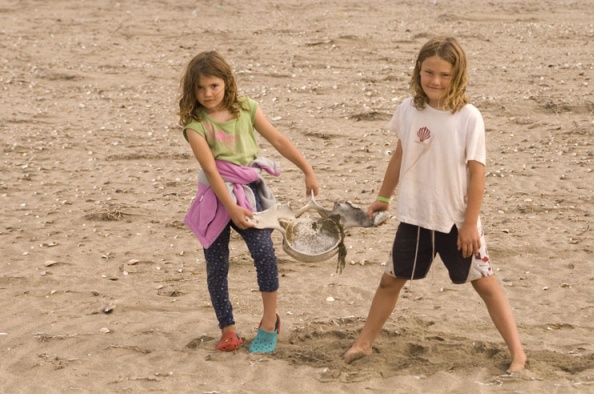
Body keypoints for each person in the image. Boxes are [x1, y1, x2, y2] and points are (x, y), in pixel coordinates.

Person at [343, 36, 527, 373]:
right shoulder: (409, 109)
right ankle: (364, 342)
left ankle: (518, 353)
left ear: (457, 76)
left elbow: (477, 173)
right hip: (415, 215)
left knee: (485, 284)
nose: (435, 81)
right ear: (418, 70)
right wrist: (383, 197)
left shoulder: (469, 117)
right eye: (429, 72)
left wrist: (470, 223)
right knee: (390, 281)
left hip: (456, 220)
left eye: (444, 75)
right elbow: (400, 155)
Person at [178, 51, 319, 354]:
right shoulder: (195, 125)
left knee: (264, 253)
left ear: (227, 83)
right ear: (192, 90)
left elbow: (279, 140)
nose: (208, 94)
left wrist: (307, 170)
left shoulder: (247, 108)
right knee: (216, 266)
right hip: (216, 200)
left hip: (251, 194)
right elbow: (212, 171)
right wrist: (231, 207)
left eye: (214, 85)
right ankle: (227, 329)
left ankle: (270, 321)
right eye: (200, 88)